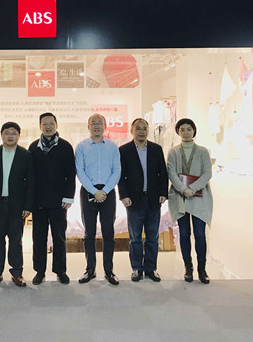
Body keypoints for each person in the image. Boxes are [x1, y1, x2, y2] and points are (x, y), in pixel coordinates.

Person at [0, 122, 34, 288]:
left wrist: (28, 206)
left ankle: (17, 273)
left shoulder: (26, 155)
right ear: (1, 135)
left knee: (16, 241)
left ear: (19, 136)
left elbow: (31, 183)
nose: (10, 136)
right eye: (7, 133)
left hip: (17, 205)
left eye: (14, 133)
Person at [28, 113, 76, 285]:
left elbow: (71, 173)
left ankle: (60, 270)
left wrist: (69, 196)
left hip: (59, 201)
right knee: (38, 237)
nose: (48, 127)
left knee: (59, 236)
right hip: (38, 201)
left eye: (51, 123)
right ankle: (39, 271)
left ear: (56, 125)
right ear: (40, 126)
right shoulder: (34, 147)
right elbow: (29, 176)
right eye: (44, 124)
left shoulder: (65, 146)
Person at [118, 118, 168, 282]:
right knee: (135, 238)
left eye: (144, 128)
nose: (141, 131)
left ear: (148, 131)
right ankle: (137, 268)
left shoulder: (156, 149)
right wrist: (124, 196)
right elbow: (121, 176)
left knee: (153, 236)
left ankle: (151, 269)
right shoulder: (124, 150)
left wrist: (163, 192)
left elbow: (163, 173)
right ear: (132, 131)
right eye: (138, 128)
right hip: (134, 200)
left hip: (153, 199)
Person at [75, 113, 122, 285]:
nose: (96, 126)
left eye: (99, 123)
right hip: (88, 191)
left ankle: (109, 271)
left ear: (105, 126)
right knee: (89, 233)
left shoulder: (112, 146)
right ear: (88, 127)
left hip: (108, 192)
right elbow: (80, 171)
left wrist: (105, 191)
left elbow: (117, 170)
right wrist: (94, 191)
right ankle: (90, 270)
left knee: (108, 233)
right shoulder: (81, 146)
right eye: (93, 123)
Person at [167, 118, 213, 284]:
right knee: (184, 234)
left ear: (194, 131)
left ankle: (202, 268)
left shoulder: (202, 151)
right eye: (182, 130)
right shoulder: (173, 152)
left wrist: (192, 189)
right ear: (178, 132)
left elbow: (207, 173)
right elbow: (171, 172)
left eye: (189, 129)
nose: (186, 132)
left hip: (199, 197)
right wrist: (183, 189)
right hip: (180, 197)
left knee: (200, 234)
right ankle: (188, 267)